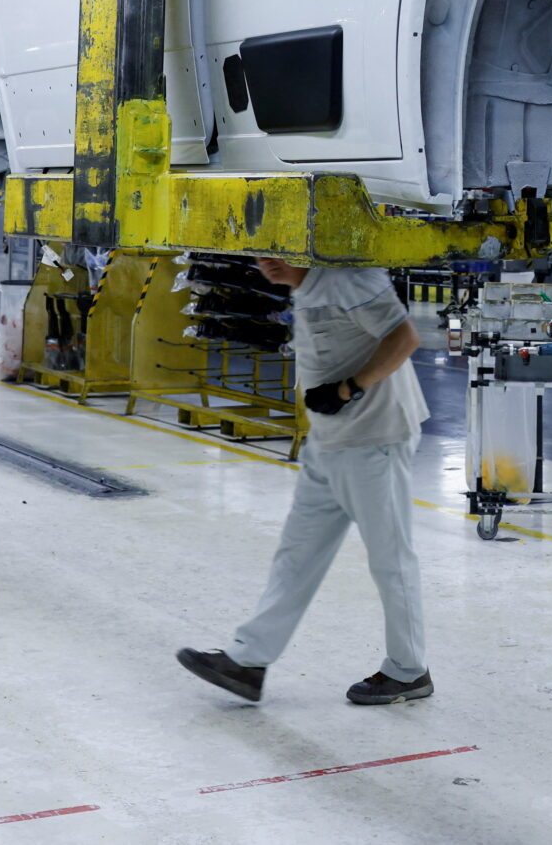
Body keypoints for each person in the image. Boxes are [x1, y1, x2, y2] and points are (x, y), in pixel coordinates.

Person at [177, 256, 432, 706]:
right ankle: (248, 662)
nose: (267, 264)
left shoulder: (350, 278)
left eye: (278, 252)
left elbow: (404, 338)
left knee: (390, 560)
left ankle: (409, 671)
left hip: (375, 438)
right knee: (296, 555)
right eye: (261, 254)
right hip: (330, 442)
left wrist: (348, 388)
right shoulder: (306, 285)